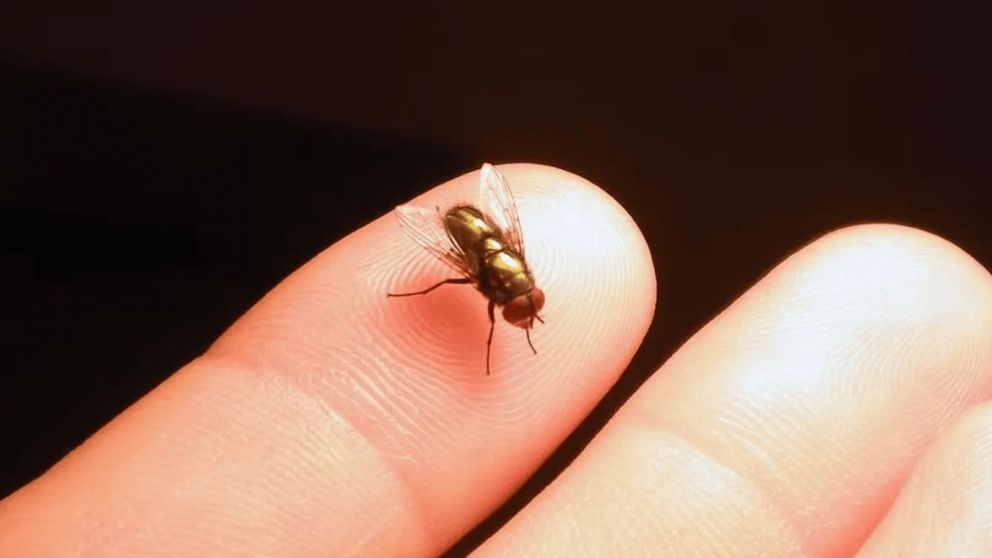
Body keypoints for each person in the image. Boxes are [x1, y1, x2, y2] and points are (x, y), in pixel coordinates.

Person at [1, 164, 990, 557]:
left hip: (483, 230)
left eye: (520, 304)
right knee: (441, 297)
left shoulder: (516, 274)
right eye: (518, 303)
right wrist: (470, 283)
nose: (519, 308)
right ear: (511, 282)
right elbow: (459, 248)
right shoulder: (483, 273)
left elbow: (492, 249)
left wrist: (504, 292)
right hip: (466, 233)